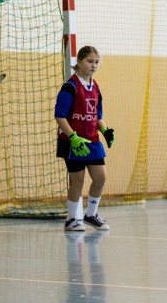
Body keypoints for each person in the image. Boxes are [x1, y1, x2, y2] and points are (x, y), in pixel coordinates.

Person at [55, 46, 115, 232]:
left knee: (100, 178)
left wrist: (105, 131)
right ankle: (72, 219)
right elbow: (60, 115)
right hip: (73, 142)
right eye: (90, 61)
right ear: (79, 62)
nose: (94, 65)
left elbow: (97, 116)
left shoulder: (96, 88)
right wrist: (72, 136)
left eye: (96, 62)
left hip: (92, 141)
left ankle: (91, 214)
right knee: (77, 181)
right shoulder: (70, 87)